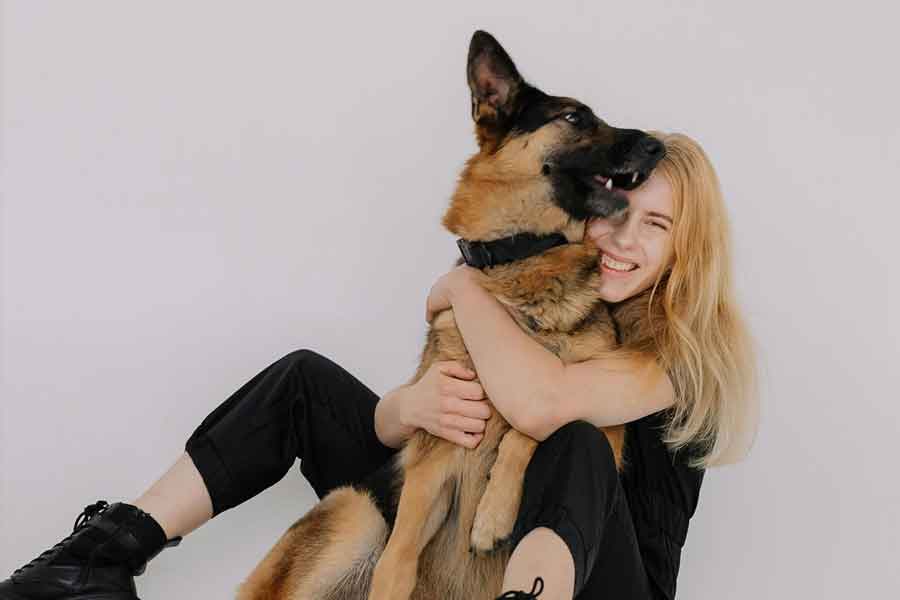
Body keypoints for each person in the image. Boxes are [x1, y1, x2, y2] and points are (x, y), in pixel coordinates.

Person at [0, 131, 758, 600]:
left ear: (688, 248)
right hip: (476, 543)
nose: (622, 238)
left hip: (604, 585)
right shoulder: (561, 293)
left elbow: (540, 405)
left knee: (577, 445)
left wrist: (464, 285)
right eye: (615, 212)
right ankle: (99, 559)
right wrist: (408, 407)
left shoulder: (682, 358)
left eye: (655, 225)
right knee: (305, 382)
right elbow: (428, 427)